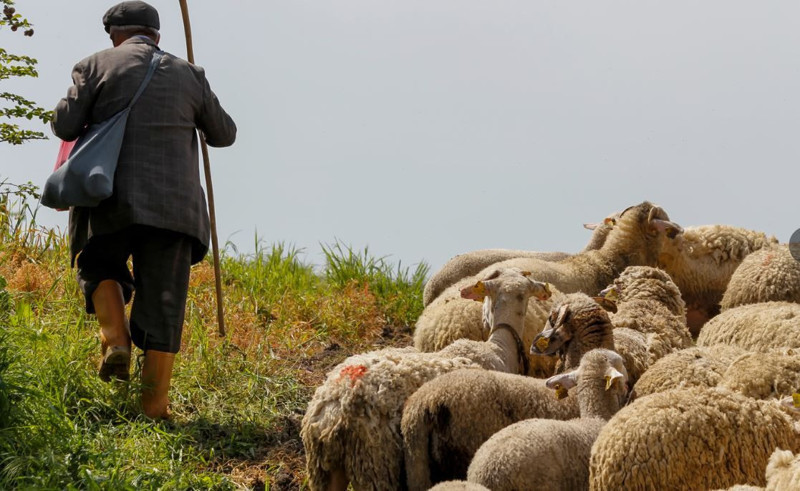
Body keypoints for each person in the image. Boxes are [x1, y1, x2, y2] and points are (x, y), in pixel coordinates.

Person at [51, 1, 237, 419]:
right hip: (175, 210)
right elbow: (224, 134)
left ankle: (115, 339)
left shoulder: (94, 65)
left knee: (99, 262)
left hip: (107, 195)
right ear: (157, 36)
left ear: (115, 34)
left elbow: (64, 125)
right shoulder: (190, 74)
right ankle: (155, 406)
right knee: (164, 302)